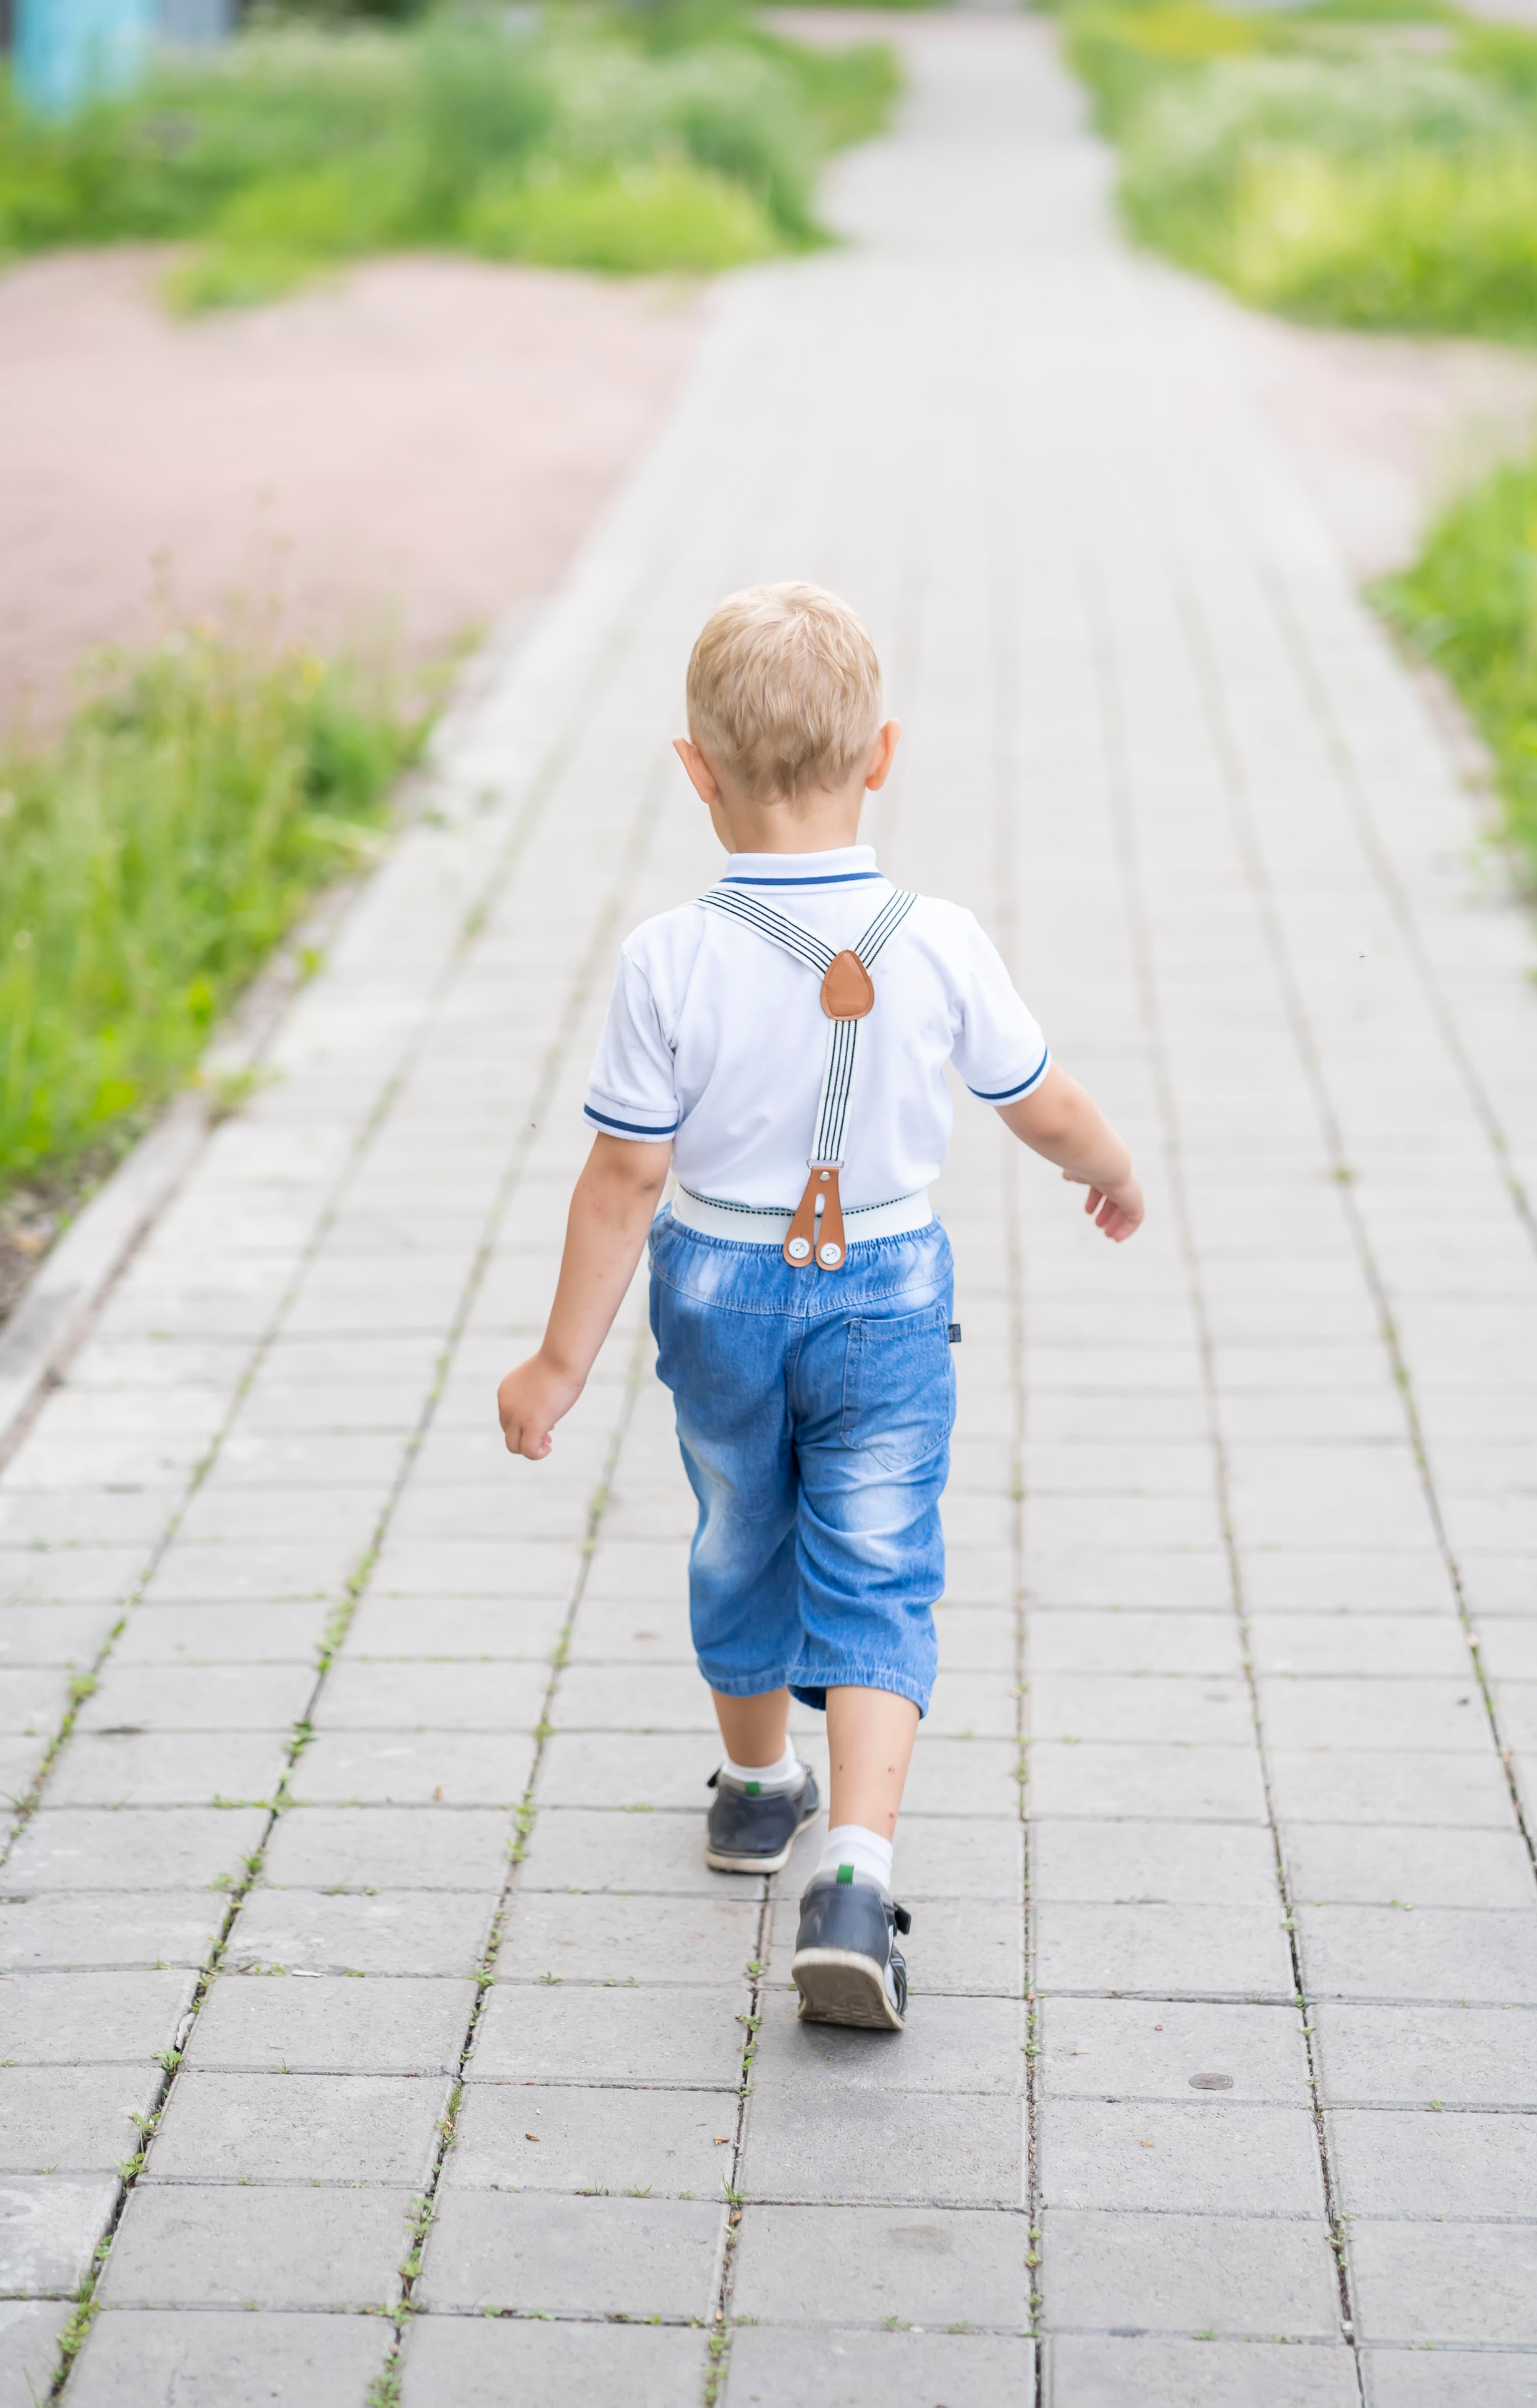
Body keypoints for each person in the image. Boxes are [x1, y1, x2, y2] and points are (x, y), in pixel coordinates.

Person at [497, 583, 1143, 2031]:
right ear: (882, 755)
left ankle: (749, 1792)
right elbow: (1039, 1102)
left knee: (741, 1529)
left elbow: (623, 1171)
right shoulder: (941, 938)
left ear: (694, 770)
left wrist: (557, 1358)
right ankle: (854, 1873)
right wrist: (1108, 1172)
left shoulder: (666, 955)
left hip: (716, 1287)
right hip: (890, 1292)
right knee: (876, 1559)